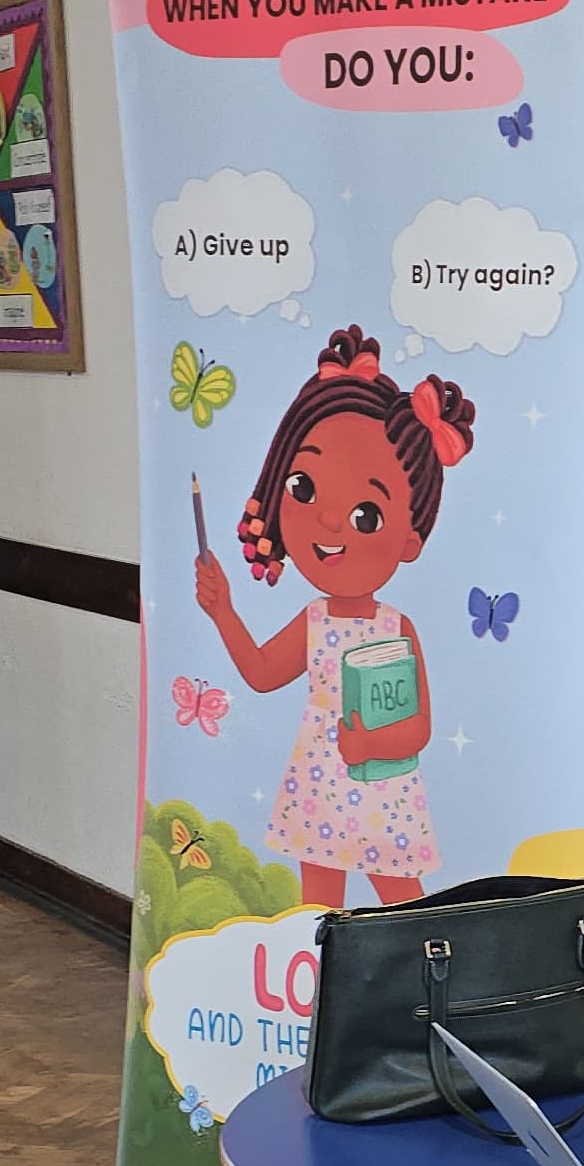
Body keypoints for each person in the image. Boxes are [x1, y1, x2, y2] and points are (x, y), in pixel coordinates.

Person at [195, 325, 474, 905]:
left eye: (367, 515)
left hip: (383, 795)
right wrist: (222, 610)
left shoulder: (396, 629)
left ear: (408, 540)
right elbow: (263, 673)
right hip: (319, 792)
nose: (327, 524)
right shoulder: (315, 621)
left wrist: (370, 747)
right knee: (319, 915)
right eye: (303, 487)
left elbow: (418, 727)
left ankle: (420, 993)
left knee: (405, 909)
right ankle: (322, 994)